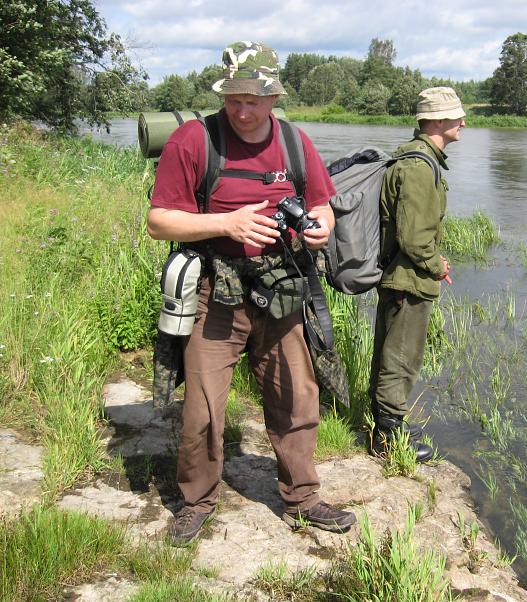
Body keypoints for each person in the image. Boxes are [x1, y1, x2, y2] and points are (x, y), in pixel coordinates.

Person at [147, 41, 356, 545]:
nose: (243, 111)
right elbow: (158, 221)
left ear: (274, 97)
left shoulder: (293, 141)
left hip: (282, 289)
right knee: (202, 405)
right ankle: (197, 501)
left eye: (254, 100)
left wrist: (320, 229)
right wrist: (227, 223)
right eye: (234, 99)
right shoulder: (194, 141)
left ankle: (303, 498)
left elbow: (322, 205)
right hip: (216, 290)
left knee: (297, 397)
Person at [368, 87, 466, 462]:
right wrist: (437, 264)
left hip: (405, 276)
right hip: (407, 279)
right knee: (401, 358)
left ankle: (387, 423)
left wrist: (432, 261)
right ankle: (387, 439)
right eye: (457, 116)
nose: (463, 123)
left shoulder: (421, 160)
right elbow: (414, 239)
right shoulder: (419, 166)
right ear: (438, 121)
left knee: (394, 353)